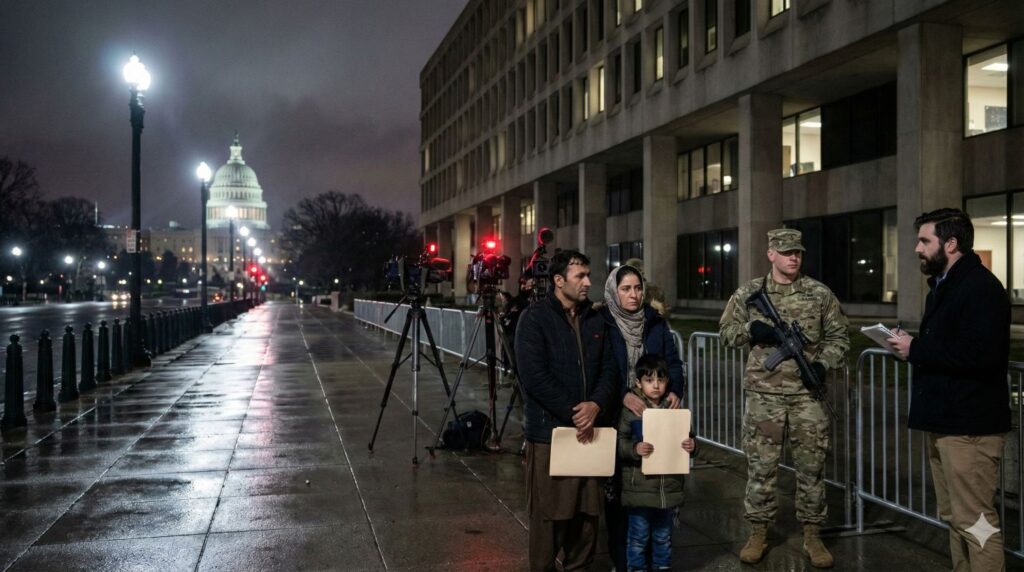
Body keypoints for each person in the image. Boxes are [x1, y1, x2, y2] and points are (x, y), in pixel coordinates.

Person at [886, 208, 1011, 572]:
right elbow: (950, 348)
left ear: (951, 244)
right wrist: (909, 348)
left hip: (970, 429)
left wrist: (918, 349)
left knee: (976, 522)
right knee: (956, 518)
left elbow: (982, 355)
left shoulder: (980, 288)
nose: (916, 248)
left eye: (925, 240)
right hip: (947, 423)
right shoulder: (943, 287)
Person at [719, 228, 849, 568]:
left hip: (807, 397)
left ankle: (812, 534)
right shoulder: (750, 292)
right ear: (771, 254)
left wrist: (822, 364)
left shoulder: (819, 294)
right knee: (761, 468)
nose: (794, 257)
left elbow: (839, 337)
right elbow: (726, 333)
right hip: (764, 398)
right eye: (787, 251)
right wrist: (751, 330)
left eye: (798, 252)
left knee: (812, 468)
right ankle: (758, 532)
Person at [515, 249, 620, 571]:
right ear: (559, 281)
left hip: (591, 432)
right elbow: (534, 376)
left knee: (588, 516)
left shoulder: (596, 318)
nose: (588, 282)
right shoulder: (534, 319)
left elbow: (609, 370)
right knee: (550, 517)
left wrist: (596, 405)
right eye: (580, 276)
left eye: (588, 275)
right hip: (551, 434)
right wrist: (577, 411)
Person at [601, 264, 685, 570]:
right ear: (614, 290)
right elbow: (601, 368)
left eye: (637, 288)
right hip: (617, 413)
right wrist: (623, 395)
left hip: (656, 412)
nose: (633, 295)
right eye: (626, 289)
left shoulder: (654, 322)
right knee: (620, 490)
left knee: (654, 482)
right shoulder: (603, 322)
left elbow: (672, 362)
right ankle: (623, 560)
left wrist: (674, 389)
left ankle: (654, 559)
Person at [617, 353, 696, 572]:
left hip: (667, 490)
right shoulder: (631, 411)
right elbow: (620, 442)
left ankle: (662, 568)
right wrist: (635, 449)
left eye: (660, 380)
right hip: (639, 490)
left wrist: (691, 446)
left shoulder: (673, 409)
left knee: (663, 538)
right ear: (638, 383)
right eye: (649, 380)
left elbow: (689, 436)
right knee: (638, 538)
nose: (655, 386)